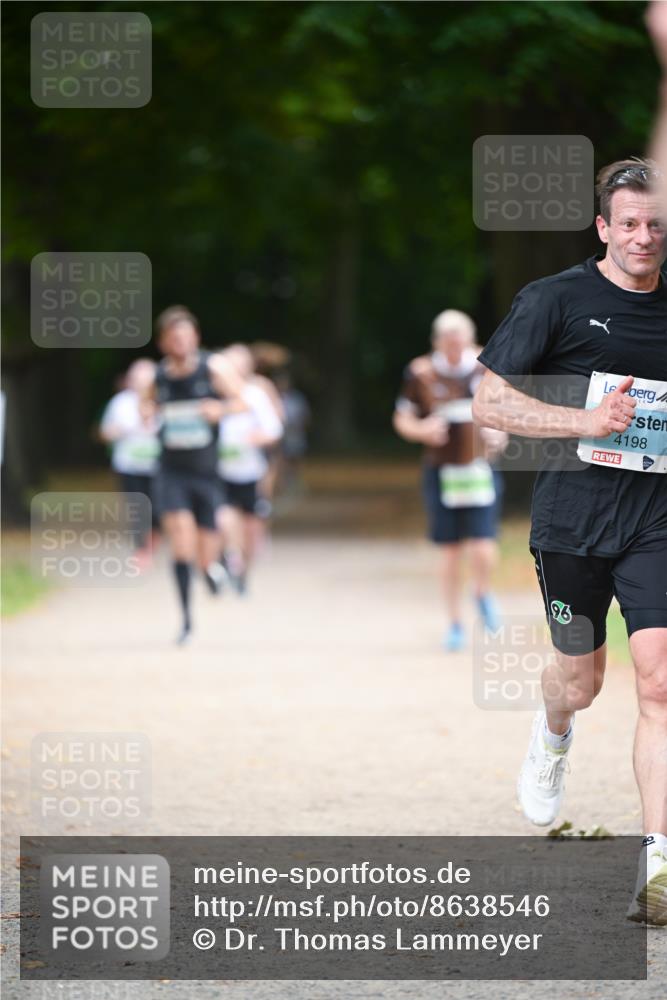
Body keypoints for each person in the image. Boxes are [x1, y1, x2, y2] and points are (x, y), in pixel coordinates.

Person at [472, 159, 667, 925]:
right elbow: (489, 400)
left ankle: (657, 859)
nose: (642, 237)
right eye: (628, 223)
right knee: (580, 682)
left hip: (656, 518)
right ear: (602, 228)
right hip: (573, 523)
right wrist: (583, 422)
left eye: (655, 224)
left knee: (656, 679)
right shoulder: (553, 300)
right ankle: (552, 734)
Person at [393, 309, 506, 652]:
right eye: (448, 342)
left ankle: (482, 591)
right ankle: (454, 623)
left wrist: (499, 435)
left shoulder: (487, 367)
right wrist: (422, 431)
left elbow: (506, 413)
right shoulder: (421, 372)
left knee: (484, 545)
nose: (455, 348)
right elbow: (402, 419)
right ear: (437, 342)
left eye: (460, 342)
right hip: (441, 471)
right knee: (450, 551)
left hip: (479, 468)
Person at [146, 306, 246, 644]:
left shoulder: (212, 368)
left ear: (196, 338)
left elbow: (242, 402)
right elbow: (144, 404)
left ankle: (210, 570)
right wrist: (148, 413)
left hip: (206, 473)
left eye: (186, 336)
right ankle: (187, 621)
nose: (181, 343)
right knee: (181, 540)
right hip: (172, 471)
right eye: (174, 338)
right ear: (163, 342)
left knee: (204, 553)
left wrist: (220, 409)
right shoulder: (159, 376)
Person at [216, 344, 284, 593]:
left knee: (251, 524)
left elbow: (275, 426)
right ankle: (229, 557)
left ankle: (243, 570)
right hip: (220, 469)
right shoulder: (212, 392)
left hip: (252, 468)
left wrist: (260, 437)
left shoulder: (257, 391)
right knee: (223, 516)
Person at [99, 359, 160, 565]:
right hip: (128, 465)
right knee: (136, 507)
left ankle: (153, 538)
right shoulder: (120, 402)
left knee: (158, 507)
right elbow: (104, 432)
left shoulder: (163, 400)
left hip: (159, 466)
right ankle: (141, 548)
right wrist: (117, 431)